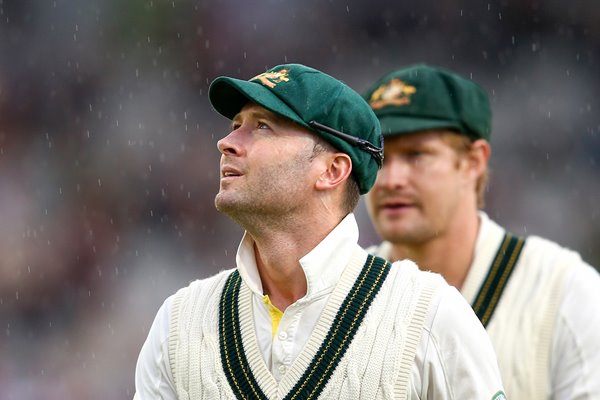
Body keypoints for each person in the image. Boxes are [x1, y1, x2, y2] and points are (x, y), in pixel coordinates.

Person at [133, 63, 506, 399]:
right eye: (236, 126)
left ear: (332, 171)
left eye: (262, 126)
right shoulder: (179, 322)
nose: (227, 142)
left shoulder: (430, 316)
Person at [362, 63, 600, 400]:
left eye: (416, 155)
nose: (391, 179)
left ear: (474, 162)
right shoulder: (341, 292)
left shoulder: (564, 291)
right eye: (378, 157)